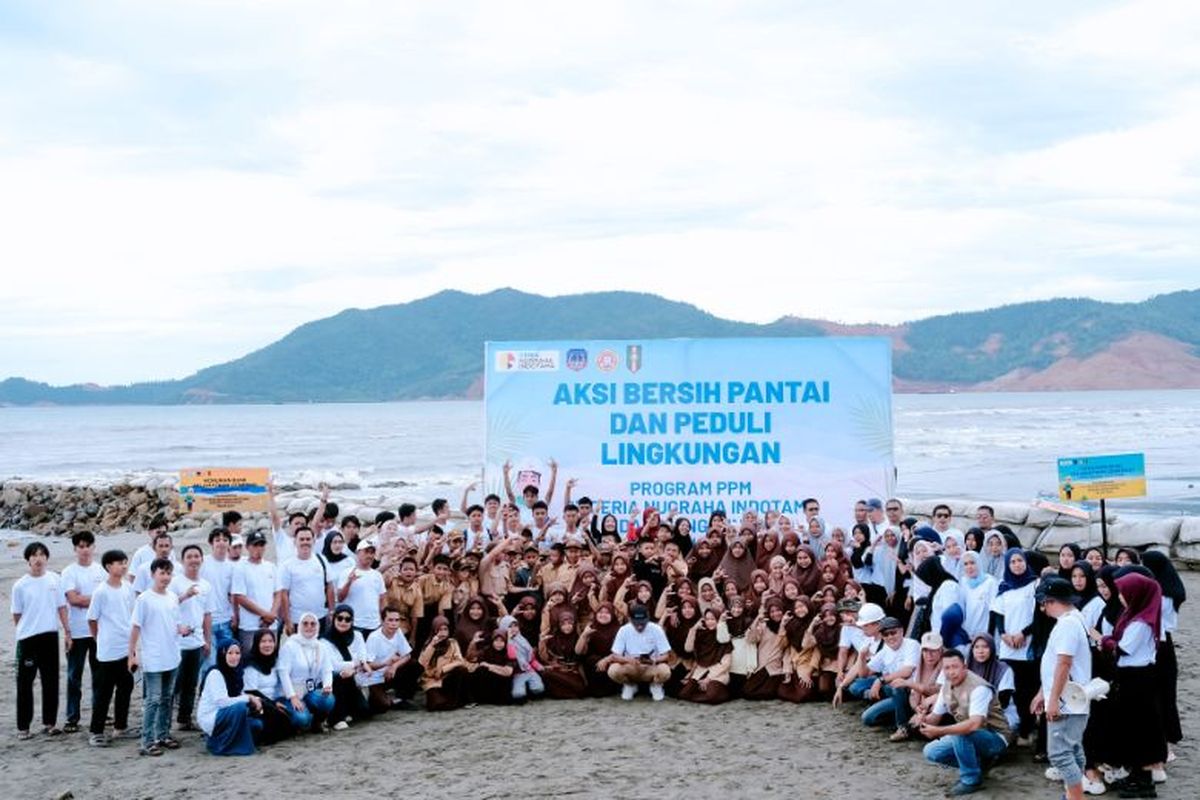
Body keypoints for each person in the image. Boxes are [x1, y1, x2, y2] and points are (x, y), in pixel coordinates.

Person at [1101, 572, 1166, 798]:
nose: (1120, 597)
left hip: (1139, 679)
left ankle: (1144, 782)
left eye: (1123, 593)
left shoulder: (1141, 622)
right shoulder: (1134, 615)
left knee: (1140, 729)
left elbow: (1123, 647)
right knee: (1131, 729)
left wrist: (1104, 640)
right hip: (1130, 677)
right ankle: (1136, 775)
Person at [919, 649, 1012, 796]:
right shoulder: (946, 687)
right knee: (931, 752)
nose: (951, 672)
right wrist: (923, 719)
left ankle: (971, 780)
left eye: (955, 667)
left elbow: (974, 724)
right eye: (947, 668)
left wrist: (940, 731)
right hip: (968, 735)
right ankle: (978, 764)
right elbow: (935, 718)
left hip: (995, 737)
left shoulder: (979, 687)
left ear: (965, 667)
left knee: (960, 733)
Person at [1032, 577, 1093, 800]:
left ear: (1050, 601)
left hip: (1067, 699)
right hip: (1073, 697)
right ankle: (1072, 794)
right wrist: (1043, 693)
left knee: (1059, 754)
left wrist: (1053, 699)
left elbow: (1064, 663)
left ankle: (1076, 798)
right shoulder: (1076, 618)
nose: (1042, 608)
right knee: (1073, 749)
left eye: (1043, 603)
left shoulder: (1067, 624)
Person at [12, 541, 70, 739]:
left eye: (42, 555)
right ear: (28, 559)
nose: (38, 558)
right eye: (34, 555)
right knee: (25, 683)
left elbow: (61, 607)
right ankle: (23, 727)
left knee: (51, 680)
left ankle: (50, 723)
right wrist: (27, 628)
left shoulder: (54, 579)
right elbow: (17, 615)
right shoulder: (20, 585)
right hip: (28, 638)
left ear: (47, 558)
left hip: (50, 635)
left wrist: (67, 632)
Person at [129, 557, 183, 756]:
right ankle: (147, 740)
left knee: (167, 698)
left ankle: (163, 734)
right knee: (153, 699)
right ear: (153, 575)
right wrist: (132, 654)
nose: (166, 577)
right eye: (162, 573)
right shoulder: (144, 599)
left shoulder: (172, 597)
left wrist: (182, 630)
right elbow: (135, 627)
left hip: (172, 655)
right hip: (153, 657)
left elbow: (175, 624)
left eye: (168, 573)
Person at [86, 549, 137, 747]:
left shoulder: (127, 587)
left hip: (125, 647)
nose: (123, 566)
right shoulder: (101, 591)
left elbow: (132, 616)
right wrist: (99, 639)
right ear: (108, 567)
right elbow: (92, 619)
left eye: (125, 562)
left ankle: (120, 727)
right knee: (104, 692)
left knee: (125, 687)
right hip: (107, 650)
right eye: (119, 563)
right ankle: (96, 731)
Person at [990, 547, 1039, 745]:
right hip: (1008, 647)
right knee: (1012, 690)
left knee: (1028, 689)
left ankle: (1028, 729)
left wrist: (1023, 633)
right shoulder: (1004, 586)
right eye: (1013, 562)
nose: (1017, 565)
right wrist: (1003, 634)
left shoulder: (1035, 584)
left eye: (1020, 561)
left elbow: (1039, 615)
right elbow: (998, 614)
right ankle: (1016, 727)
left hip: (1027, 645)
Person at [60, 530, 106, 733]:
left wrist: (87, 600)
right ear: (75, 549)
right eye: (80, 546)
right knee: (74, 677)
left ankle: (100, 711)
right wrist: (92, 600)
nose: (84, 550)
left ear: (94, 547)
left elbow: (105, 600)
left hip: (98, 631)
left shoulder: (101, 571)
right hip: (77, 632)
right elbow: (73, 600)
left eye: (88, 545)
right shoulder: (69, 572)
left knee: (100, 676)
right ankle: (72, 717)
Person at [170, 544, 214, 731]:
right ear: (183, 560)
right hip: (178, 642)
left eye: (197, 556)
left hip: (197, 641)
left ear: (201, 560)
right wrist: (185, 596)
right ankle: (164, 722)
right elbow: (168, 607)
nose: (194, 560)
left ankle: (184, 719)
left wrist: (207, 640)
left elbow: (207, 614)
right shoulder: (175, 582)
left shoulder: (206, 585)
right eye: (189, 557)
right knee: (174, 684)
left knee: (191, 683)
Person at [196, 642, 263, 755]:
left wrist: (254, 700)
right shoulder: (215, 673)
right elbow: (222, 702)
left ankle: (225, 739)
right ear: (223, 654)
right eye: (230, 653)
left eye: (237, 653)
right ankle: (217, 744)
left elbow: (238, 694)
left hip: (226, 713)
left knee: (256, 725)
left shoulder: (236, 672)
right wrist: (248, 698)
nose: (234, 657)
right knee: (241, 707)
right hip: (212, 716)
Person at [859, 616, 920, 734]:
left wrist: (880, 680)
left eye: (893, 632)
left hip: (911, 691)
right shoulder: (885, 650)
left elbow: (907, 671)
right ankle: (898, 713)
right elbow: (864, 674)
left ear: (902, 631)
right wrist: (861, 657)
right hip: (895, 694)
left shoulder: (912, 644)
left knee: (896, 686)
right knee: (867, 718)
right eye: (886, 634)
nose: (890, 637)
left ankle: (902, 727)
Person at [277, 612, 335, 731]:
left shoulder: (320, 646)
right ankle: (290, 721)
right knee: (302, 720)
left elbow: (327, 669)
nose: (309, 627)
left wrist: (327, 685)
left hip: (310, 690)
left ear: (317, 627)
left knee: (328, 699)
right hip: (293, 692)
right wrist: (292, 696)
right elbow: (283, 672)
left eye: (313, 624)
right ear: (299, 626)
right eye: (305, 623)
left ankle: (317, 722)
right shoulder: (290, 646)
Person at [276, 526, 334, 635]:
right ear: (295, 542)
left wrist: (331, 612)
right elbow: (284, 594)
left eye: (308, 539)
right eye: (301, 539)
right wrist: (288, 620)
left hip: (320, 617)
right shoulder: (287, 565)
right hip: (298, 619)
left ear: (314, 541)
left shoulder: (322, 560)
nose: (305, 542)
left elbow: (329, 587)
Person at [240, 629, 295, 744]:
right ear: (256, 644)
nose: (267, 645)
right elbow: (251, 691)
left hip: (273, 701)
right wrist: (273, 704)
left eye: (270, 641)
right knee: (281, 723)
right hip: (256, 703)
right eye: (263, 641)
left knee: (293, 720)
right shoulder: (250, 664)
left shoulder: (274, 661)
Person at [608, 603, 672, 701]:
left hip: (651, 667)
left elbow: (666, 655)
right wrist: (629, 660)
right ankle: (629, 685)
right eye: (636, 622)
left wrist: (654, 660)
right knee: (613, 670)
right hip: (631, 667)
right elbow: (615, 655)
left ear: (648, 618)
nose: (639, 626)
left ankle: (656, 685)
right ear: (630, 619)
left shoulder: (657, 629)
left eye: (642, 622)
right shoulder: (624, 630)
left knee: (665, 671)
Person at [320, 604, 370, 728]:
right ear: (334, 619)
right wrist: (357, 664)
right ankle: (336, 718)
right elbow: (333, 665)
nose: (343, 622)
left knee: (363, 711)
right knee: (340, 675)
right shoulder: (324, 640)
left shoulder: (357, 635)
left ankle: (348, 710)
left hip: (353, 678)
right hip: (334, 680)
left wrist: (355, 668)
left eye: (348, 619)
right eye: (340, 618)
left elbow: (363, 656)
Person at [364, 607, 421, 713]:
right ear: (382, 621)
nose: (394, 624)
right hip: (374, 678)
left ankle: (402, 698)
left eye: (397, 620)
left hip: (390, 674)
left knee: (414, 665)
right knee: (382, 706)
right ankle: (386, 700)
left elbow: (407, 655)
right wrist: (385, 664)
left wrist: (394, 666)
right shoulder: (374, 637)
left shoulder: (398, 632)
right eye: (390, 620)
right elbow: (368, 665)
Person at [231, 532, 278, 653]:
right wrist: (264, 614)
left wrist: (271, 614)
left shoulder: (271, 567)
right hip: (250, 625)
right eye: (255, 545)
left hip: (270, 624)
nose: (259, 549)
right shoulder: (240, 568)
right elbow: (240, 597)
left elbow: (278, 593)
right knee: (249, 660)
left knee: (270, 660)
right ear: (247, 547)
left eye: (261, 545)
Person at [200, 527, 237, 669]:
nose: (221, 543)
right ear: (211, 543)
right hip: (207, 622)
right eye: (217, 540)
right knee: (209, 663)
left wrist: (234, 614)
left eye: (225, 540)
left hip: (226, 621)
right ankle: (206, 690)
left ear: (229, 544)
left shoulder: (232, 567)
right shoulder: (203, 563)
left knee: (228, 662)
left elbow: (232, 594)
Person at [418, 616, 470, 710]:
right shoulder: (429, 644)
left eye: (445, 629)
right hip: (432, 681)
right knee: (435, 705)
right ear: (434, 631)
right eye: (439, 630)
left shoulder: (452, 643)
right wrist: (432, 645)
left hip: (447, 678)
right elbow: (421, 664)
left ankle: (455, 700)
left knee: (461, 670)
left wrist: (443, 669)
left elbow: (459, 661)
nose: (443, 633)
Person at [338, 540, 386, 636]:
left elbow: (382, 600)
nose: (369, 555)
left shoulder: (377, 575)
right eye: (366, 552)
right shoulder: (347, 572)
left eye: (372, 552)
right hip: (354, 624)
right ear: (357, 553)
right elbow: (340, 598)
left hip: (374, 625)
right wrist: (349, 582)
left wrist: (383, 620)